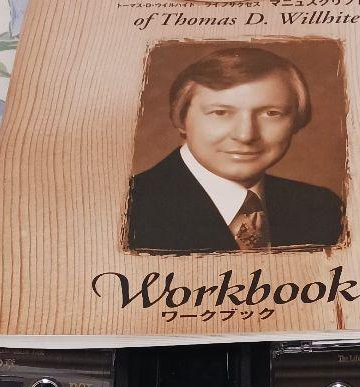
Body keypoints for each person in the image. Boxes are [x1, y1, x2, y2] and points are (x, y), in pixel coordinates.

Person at [127, 46, 344, 254]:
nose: (245, 135)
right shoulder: (127, 211)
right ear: (181, 119)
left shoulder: (323, 208)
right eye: (221, 113)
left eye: (271, 113)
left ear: (296, 121)